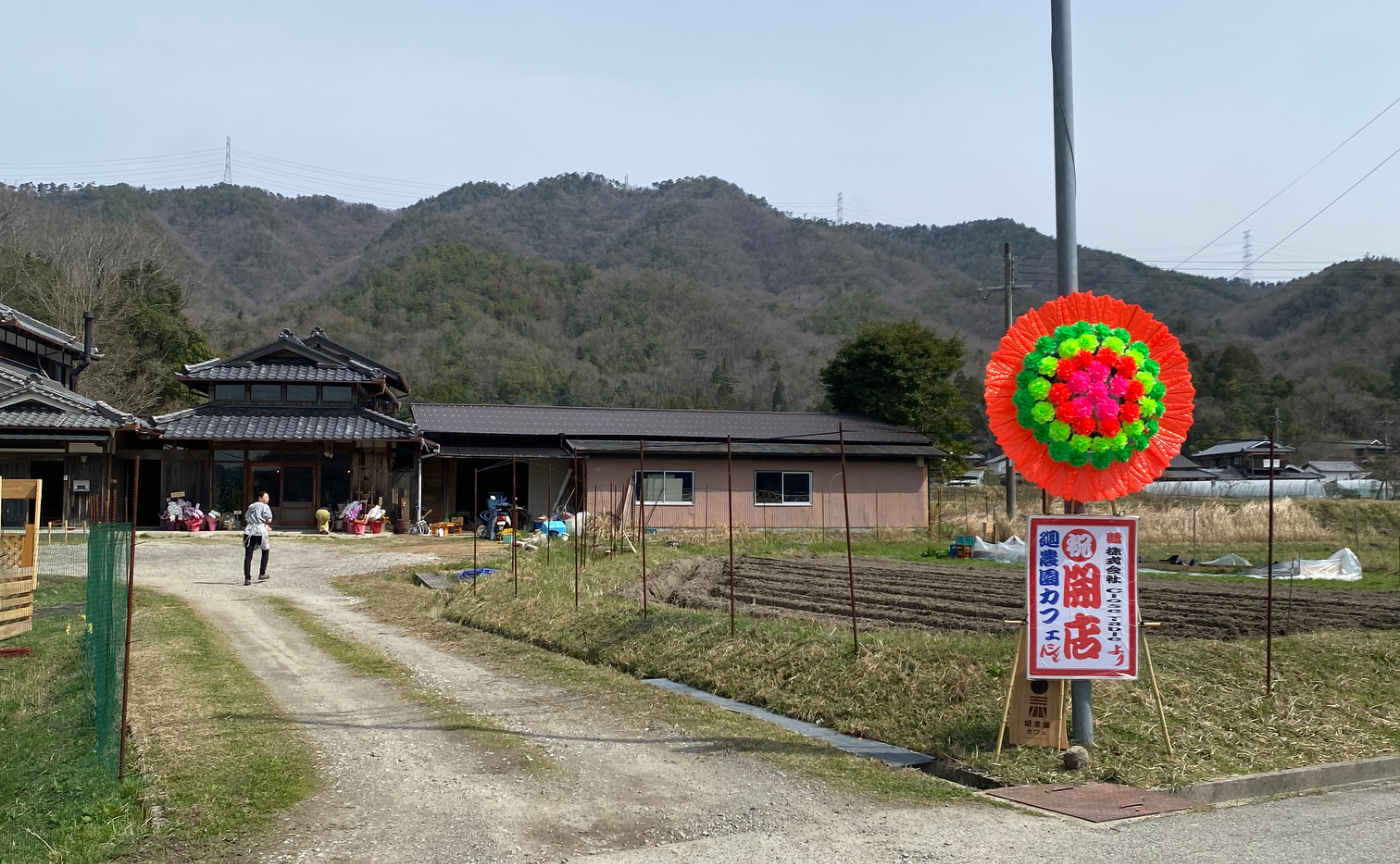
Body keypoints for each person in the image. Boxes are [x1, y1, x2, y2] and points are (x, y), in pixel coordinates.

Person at [243, 492, 273, 585]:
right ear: (260, 498)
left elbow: (246, 517)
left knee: (248, 556)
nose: (267, 499)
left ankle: (247, 578)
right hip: (260, 531)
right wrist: (264, 523)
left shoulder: (250, 507)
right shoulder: (265, 507)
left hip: (248, 531)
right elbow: (269, 519)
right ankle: (262, 573)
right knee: (265, 551)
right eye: (266, 497)